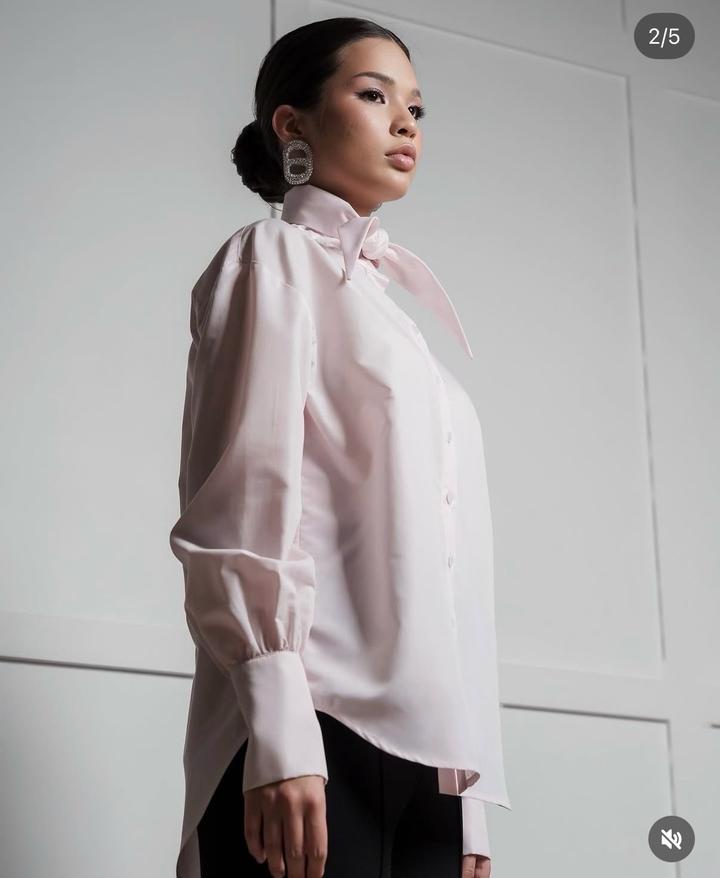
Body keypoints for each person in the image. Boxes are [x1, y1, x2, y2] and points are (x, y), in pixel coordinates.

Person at [168, 16, 511, 878]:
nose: (405, 124)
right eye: (372, 95)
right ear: (293, 124)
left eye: (416, 109)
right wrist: (279, 732)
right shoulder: (272, 260)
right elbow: (240, 507)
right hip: (311, 732)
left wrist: (468, 807)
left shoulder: (397, 322)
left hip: (431, 765)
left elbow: (449, 574)